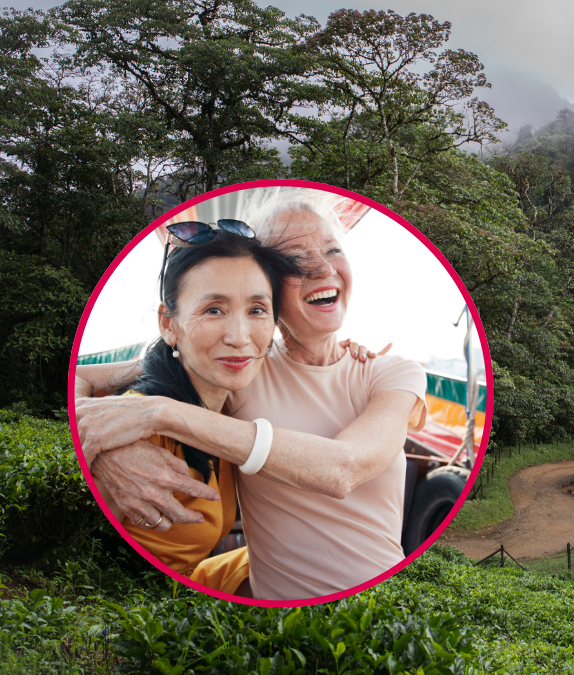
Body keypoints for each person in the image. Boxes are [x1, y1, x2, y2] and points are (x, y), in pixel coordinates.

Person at [76, 189, 428, 600]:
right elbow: (87, 378)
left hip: (384, 603)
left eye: (332, 249)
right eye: (296, 259)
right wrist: (103, 451)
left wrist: (161, 412)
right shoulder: (239, 368)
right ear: (271, 288)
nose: (322, 268)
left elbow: (342, 469)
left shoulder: (392, 372)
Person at [91, 223, 299, 596]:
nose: (239, 337)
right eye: (214, 310)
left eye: (256, 309)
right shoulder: (133, 426)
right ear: (168, 325)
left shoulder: (228, 415)